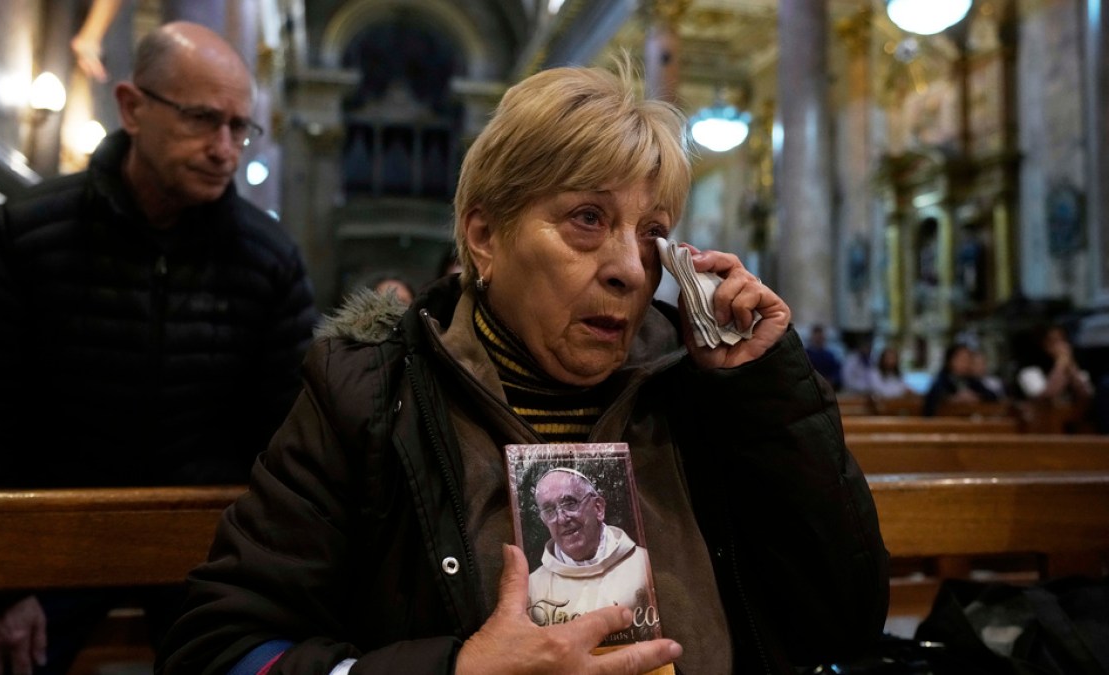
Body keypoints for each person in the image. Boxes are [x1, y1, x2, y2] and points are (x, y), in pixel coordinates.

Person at [157, 63, 888, 675]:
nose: (632, 270)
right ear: (485, 235)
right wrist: (456, 671)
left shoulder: (704, 392)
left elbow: (844, 623)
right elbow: (220, 648)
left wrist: (763, 391)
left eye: (652, 234)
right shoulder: (371, 394)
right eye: (587, 219)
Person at [0, 21, 320, 675]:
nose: (224, 149)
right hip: (41, 546)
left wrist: (267, 582)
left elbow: (288, 437)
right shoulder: (23, 236)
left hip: (203, 551)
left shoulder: (268, 259)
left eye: (238, 127)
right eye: (202, 119)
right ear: (132, 107)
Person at [527, 468, 653, 632]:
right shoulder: (533, 588)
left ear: (598, 508)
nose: (562, 519)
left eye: (570, 504)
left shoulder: (645, 566)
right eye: (549, 510)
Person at [922, 343, 998, 416]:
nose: (966, 363)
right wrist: (953, 399)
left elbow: (992, 396)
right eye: (962, 359)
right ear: (951, 360)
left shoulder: (972, 380)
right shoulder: (941, 379)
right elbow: (932, 401)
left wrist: (976, 397)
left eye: (968, 359)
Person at [805, 324, 843, 390]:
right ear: (812, 338)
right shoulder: (806, 355)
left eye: (820, 337)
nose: (818, 340)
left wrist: (831, 380)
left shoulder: (829, 356)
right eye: (817, 337)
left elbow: (836, 372)